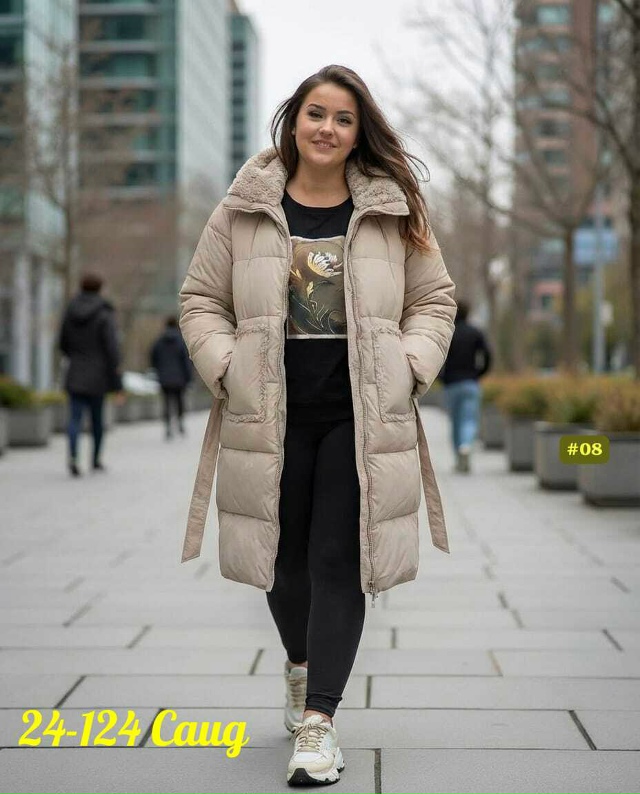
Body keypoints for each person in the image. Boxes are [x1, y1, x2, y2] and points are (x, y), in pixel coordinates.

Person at [178, 64, 457, 786]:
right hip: (269, 415)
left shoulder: (393, 208)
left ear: (358, 133)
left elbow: (434, 300)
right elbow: (201, 299)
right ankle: (301, 666)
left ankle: (320, 723)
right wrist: (225, 365)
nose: (327, 128)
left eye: (343, 119)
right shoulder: (243, 207)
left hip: (359, 418)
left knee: (338, 559)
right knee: (282, 561)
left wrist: (410, 365)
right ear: (293, 120)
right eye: (316, 114)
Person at [58, 272, 123, 477]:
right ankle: (95, 460)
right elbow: (111, 347)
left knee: (74, 419)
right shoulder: (104, 313)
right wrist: (116, 377)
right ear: (100, 289)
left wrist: (75, 356)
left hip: (75, 372)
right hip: (98, 374)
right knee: (97, 420)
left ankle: (73, 457)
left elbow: (62, 342)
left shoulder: (70, 310)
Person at [437, 299, 492, 473]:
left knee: (455, 422)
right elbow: (487, 355)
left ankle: (458, 457)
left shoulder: (448, 333)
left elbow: (437, 357)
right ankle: (466, 445)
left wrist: (441, 378)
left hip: (451, 384)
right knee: (469, 419)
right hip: (470, 382)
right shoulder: (475, 332)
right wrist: (479, 373)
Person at [149, 315, 193, 440]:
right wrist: (189, 378)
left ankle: (168, 426)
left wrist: (158, 371)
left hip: (164, 378)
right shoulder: (181, 341)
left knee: (167, 402)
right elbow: (186, 361)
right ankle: (180, 423)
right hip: (180, 378)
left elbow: (153, 357)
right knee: (179, 401)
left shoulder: (159, 341)